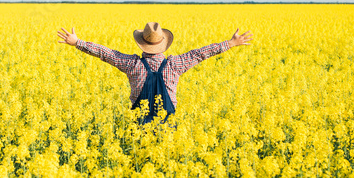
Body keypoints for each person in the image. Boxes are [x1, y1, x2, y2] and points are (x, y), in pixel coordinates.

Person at [57, 22, 253, 125]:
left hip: (139, 126)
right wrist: (231, 43)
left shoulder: (132, 64)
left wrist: (77, 42)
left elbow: (106, 53)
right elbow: (201, 53)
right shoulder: (175, 64)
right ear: (163, 44)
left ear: (141, 43)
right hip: (168, 126)